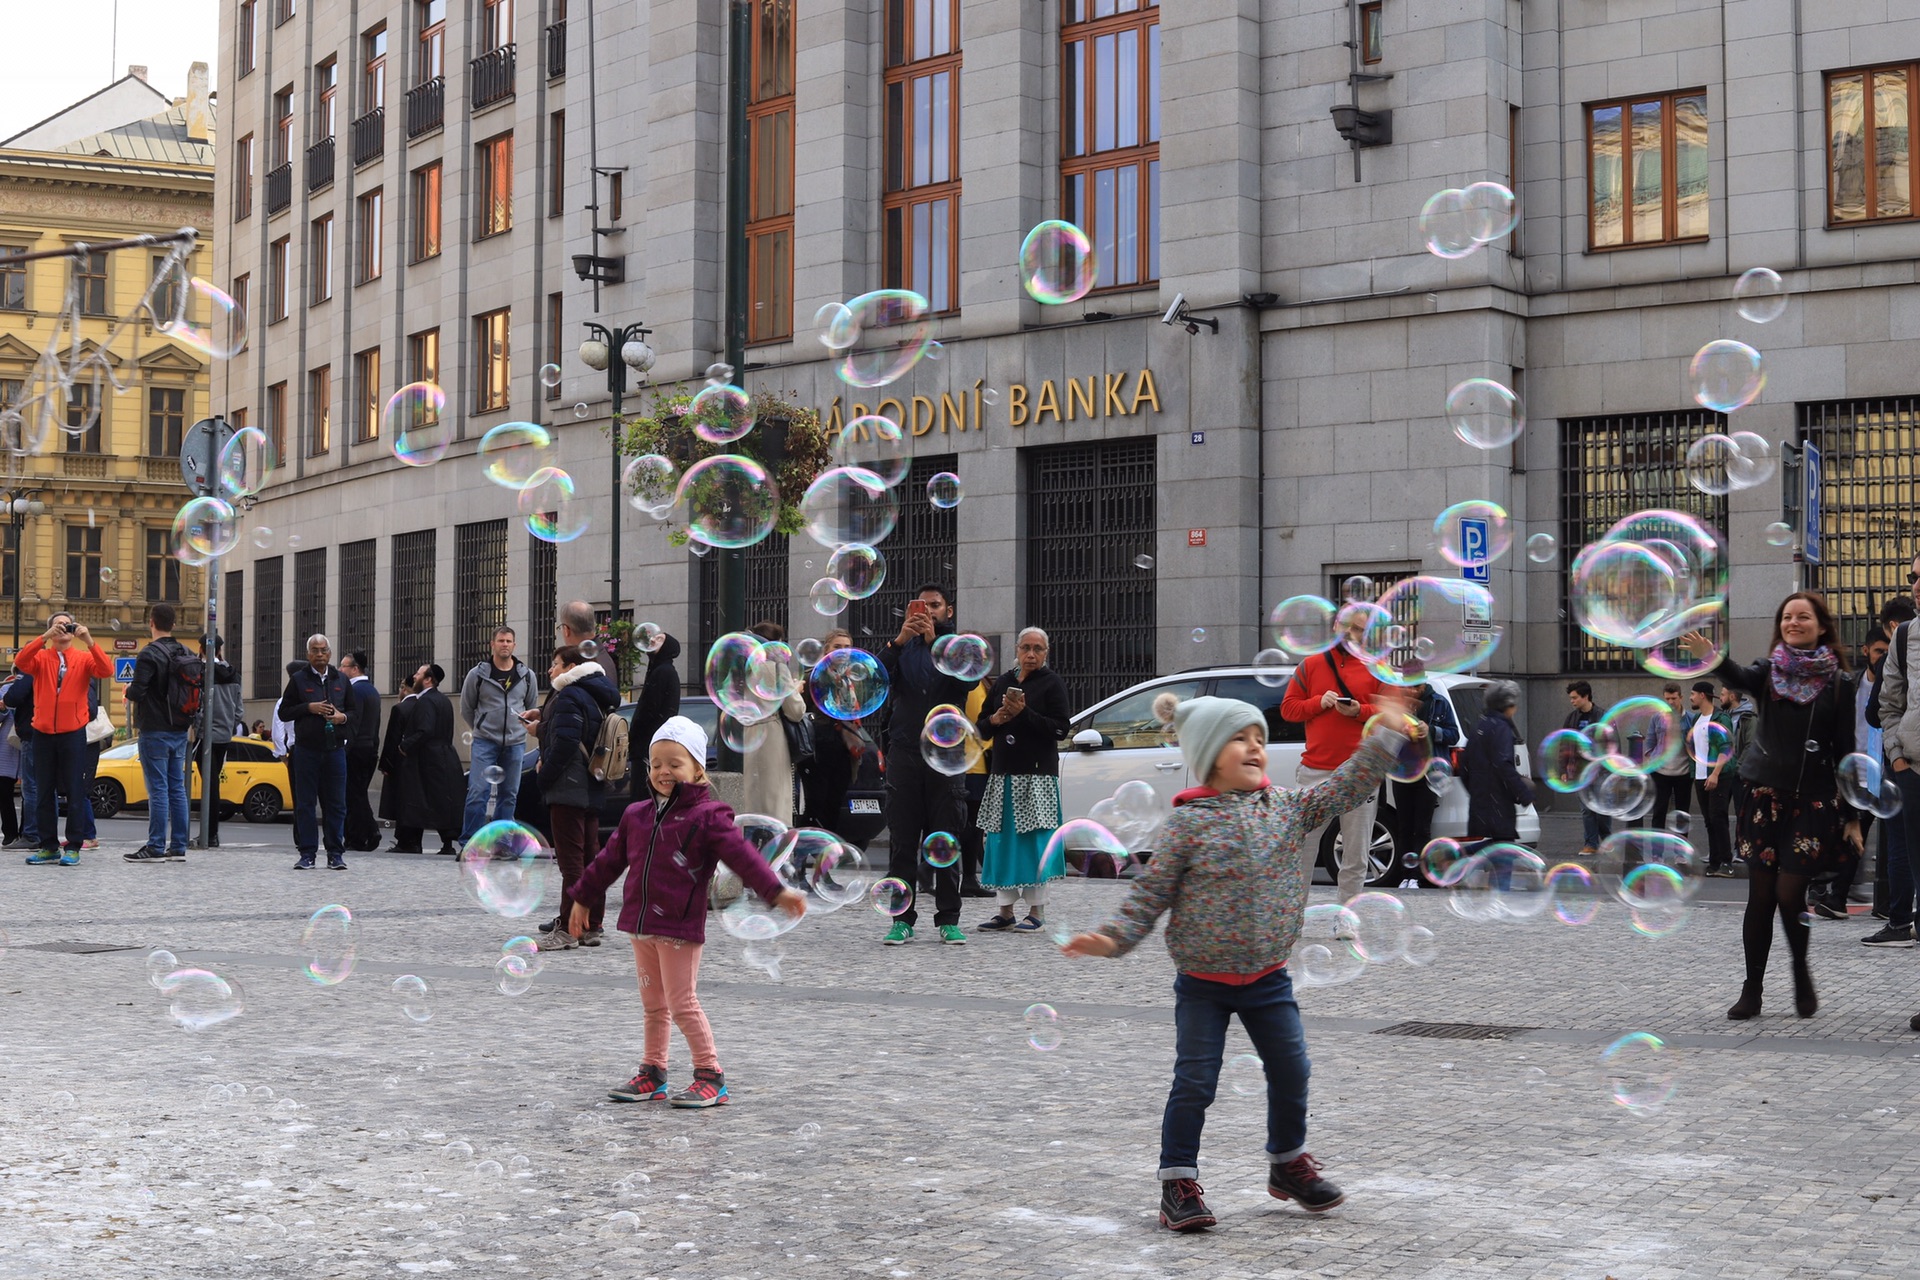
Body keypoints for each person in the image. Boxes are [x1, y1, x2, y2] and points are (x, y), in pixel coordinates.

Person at [1061, 689, 1413, 1231]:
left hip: (1268, 978)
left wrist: (1386, 731)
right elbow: (1149, 896)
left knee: (1292, 1068)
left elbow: (1348, 785)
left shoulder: (1289, 808)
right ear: (1206, 755)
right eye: (1239, 739)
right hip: (1202, 982)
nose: (1255, 747)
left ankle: (1287, 1164)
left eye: (1259, 739)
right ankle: (1177, 1182)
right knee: (1196, 1081)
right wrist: (1112, 938)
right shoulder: (1186, 825)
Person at [572, 715, 808, 1108]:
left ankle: (710, 1075)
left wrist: (775, 892)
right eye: (657, 763)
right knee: (653, 1005)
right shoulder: (636, 816)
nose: (664, 771)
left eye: (675, 763)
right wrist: (582, 897)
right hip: (641, 925)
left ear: (698, 769)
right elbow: (606, 863)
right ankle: (653, 1072)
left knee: (682, 1003)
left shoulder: (709, 817)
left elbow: (744, 858)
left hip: (678, 926)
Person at [1684, 592, 1862, 1021]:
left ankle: (1800, 970)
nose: (1793, 622)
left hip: (1812, 802)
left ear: (1821, 626)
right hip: (1763, 795)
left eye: (1803, 616)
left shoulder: (1839, 683)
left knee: (1789, 892)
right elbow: (1740, 675)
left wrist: (1853, 815)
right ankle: (1753, 989)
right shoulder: (1769, 672)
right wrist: (1713, 657)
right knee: (1760, 896)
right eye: (1786, 616)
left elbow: (1845, 750)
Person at [876, 584, 981, 945]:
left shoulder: (959, 648)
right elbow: (874, 679)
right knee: (902, 841)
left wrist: (936, 642)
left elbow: (965, 682)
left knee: (945, 838)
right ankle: (900, 919)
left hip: (946, 755)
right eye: (922, 606)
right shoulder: (902, 647)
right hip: (904, 753)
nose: (928, 612)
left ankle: (948, 919)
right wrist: (899, 641)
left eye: (935, 606)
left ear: (948, 611)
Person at [1280, 610, 1385, 901]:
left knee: (1356, 852)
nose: (1354, 634)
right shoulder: (1311, 665)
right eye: (1349, 627)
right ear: (1336, 626)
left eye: (1361, 630)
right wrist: (1317, 702)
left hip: (1360, 772)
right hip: (1315, 770)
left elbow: (1392, 715)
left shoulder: (1377, 667)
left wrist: (1360, 711)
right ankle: (1292, 917)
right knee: (1302, 849)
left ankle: (1347, 916)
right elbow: (1288, 709)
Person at [974, 627, 1071, 932]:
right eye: (1026, 648)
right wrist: (996, 719)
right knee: (1001, 841)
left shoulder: (1051, 683)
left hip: (1037, 775)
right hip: (1004, 774)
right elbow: (982, 727)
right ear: (1016, 650)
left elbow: (1060, 728)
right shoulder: (1003, 681)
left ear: (1046, 653)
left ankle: (1036, 911)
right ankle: (1004, 910)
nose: (1031, 654)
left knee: (1034, 842)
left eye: (1038, 649)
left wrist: (1024, 712)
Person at [535, 644, 619, 951]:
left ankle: (568, 929)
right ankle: (592, 925)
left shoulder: (570, 693)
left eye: (555, 663)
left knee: (571, 863)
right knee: (590, 858)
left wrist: (543, 777)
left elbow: (567, 741)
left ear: (570, 667)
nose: (551, 670)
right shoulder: (597, 693)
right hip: (592, 783)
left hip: (569, 786)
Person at [14, 613, 112, 866]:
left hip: (73, 732)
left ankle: (74, 846)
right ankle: (48, 846)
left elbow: (106, 670)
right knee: (44, 791)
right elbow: (21, 661)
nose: (63, 629)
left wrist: (89, 640)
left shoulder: (83, 658)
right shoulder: (41, 658)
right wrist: (44, 638)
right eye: (58, 625)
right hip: (43, 732)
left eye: (67, 624)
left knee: (75, 791)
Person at [121, 604, 194, 862]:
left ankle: (154, 846)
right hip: (180, 730)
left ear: (151, 622)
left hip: (155, 730)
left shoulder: (149, 654)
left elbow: (138, 692)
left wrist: (128, 690)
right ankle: (178, 847)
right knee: (177, 789)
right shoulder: (187, 652)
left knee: (158, 790)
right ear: (173, 624)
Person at [277, 634, 354, 871]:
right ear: (308, 654)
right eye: (315, 650)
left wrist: (342, 717)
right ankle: (307, 853)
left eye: (323, 650)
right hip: (306, 750)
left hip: (335, 750)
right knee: (305, 804)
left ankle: (335, 853)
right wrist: (308, 708)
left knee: (336, 804)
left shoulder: (341, 679)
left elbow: (354, 712)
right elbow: (284, 712)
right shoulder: (298, 680)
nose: (319, 654)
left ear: (330, 654)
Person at [459, 627, 538, 842]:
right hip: (485, 741)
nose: (505, 644)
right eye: (501, 640)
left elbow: (531, 707)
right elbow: (467, 707)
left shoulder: (527, 675)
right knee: (477, 792)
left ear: (514, 645)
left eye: (509, 641)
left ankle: (503, 845)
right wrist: (481, 727)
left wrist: (520, 728)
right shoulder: (477, 675)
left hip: (515, 743)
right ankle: (470, 843)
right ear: (492, 644)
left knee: (509, 795)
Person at [1464, 681, 1534, 879]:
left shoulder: (1480, 725)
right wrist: (1523, 792)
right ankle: (1464, 855)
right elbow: (1503, 764)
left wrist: (1477, 791)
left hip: (1484, 799)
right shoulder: (1502, 728)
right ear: (1507, 705)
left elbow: (1465, 767)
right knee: (1504, 850)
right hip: (1498, 801)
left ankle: (1462, 854)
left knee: (1500, 845)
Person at [740, 621, 806, 825]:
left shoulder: (744, 670)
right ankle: (776, 847)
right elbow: (795, 710)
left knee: (753, 800)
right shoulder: (778, 668)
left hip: (749, 734)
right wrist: (796, 689)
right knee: (775, 802)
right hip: (772, 735)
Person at [395, 662, 464, 855]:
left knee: (426, 801)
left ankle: (413, 842)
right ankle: (447, 843)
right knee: (443, 801)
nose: (414, 677)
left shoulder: (425, 701)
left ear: (428, 680)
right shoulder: (443, 700)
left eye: (418, 674)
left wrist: (405, 745)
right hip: (444, 755)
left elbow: (425, 730)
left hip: (429, 759)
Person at [1388, 679, 1459, 860]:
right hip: (1402, 773)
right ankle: (1406, 877)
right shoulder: (1397, 704)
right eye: (1407, 687)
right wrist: (1398, 730)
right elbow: (1381, 733)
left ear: (1424, 684)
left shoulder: (1439, 702)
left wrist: (1432, 731)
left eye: (1416, 687)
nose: (1411, 691)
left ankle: (1419, 876)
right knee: (1404, 827)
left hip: (1430, 773)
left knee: (1422, 828)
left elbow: (1454, 735)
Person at [799, 628, 857, 837]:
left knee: (834, 805)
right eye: (837, 647)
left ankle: (823, 857)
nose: (842, 651)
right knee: (815, 806)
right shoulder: (812, 678)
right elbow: (799, 714)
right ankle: (799, 855)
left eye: (847, 647)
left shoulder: (850, 681)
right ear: (826, 650)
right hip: (817, 751)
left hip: (842, 750)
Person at [626, 629, 682, 811]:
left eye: (660, 639)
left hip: (648, 747)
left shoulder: (663, 672)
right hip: (649, 746)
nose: (653, 640)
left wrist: (634, 735)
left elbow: (649, 710)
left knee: (643, 800)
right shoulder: (660, 670)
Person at [196, 637, 243, 849]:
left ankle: (210, 834)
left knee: (210, 785)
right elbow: (239, 709)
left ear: (201, 649)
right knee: (212, 783)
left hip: (204, 736)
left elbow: (198, 705)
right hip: (224, 736)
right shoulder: (233, 673)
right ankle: (211, 833)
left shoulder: (201, 673)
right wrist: (230, 727)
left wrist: (197, 730)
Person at [339, 651, 383, 851]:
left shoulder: (355, 691)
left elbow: (353, 723)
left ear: (355, 669)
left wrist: (344, 748)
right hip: (369, 749)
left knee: (354, 795)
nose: (340, 670)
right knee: (358, 793)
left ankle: (369, 831)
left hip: (356, 750)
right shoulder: (372, 690)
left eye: (344, 666)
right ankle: (357, 835)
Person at [1696, 683, 1736, 878]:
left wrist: (1715, 774)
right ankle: (1714, 862)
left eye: (1693, 694)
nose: (1691, 698)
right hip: (1700, 775)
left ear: (1702, 695)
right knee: (1709, 820)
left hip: (1718, 775)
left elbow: (1726, 747)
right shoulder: (1697, 719)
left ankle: (1727, 862)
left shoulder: (1721, 718)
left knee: (1718, 818)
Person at [1565, 681, 1609, 854]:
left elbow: (1611, 743)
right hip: (1580, 770)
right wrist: (1564, 769)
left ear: (1586, 696)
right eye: (1571, 698)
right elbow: (1565, 744)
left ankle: (1607, 841)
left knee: (1603, 808)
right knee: (1586, 809)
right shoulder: (1572, 718)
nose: (1572, 701)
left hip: (1600, 770)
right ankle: (1591, 844)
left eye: (1575, 698)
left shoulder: (1602, 716)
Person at [379, 670, 421, 851]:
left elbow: (392, 739)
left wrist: (385, 764)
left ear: (404, 689)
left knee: (401, 803)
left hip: (400, 762)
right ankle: (416, 841)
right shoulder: (423, 706)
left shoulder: (400, 709)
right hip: (419, 762)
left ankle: (404, 841)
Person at [1650, 682, 1696, 834]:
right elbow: (1650, 742)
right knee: (1659, 812)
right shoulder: (1657, 718)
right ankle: (1657, 854)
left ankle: (1680, 855)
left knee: (1682, 813)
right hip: (1660, 772)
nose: (1670, 702)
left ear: (1681, 698)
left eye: (1674, 698)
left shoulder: (1691, 718)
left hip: (1683, 772)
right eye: (1667, 699)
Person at [4, 673, 38, 849]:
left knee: (31, 787)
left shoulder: (29, 673)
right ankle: (45, 836)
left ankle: (31, 835)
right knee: (45, 787)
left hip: (31, 735)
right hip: (52, 735)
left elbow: (12, 697)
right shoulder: (55, 670)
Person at [0, 688, 19, 846]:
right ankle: (10, 832)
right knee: (4, 792)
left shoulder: (40, 685)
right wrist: (3, 709)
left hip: (31, 742)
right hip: (7, 748)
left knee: (31, 793)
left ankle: (29, 833)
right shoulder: (6, 689)